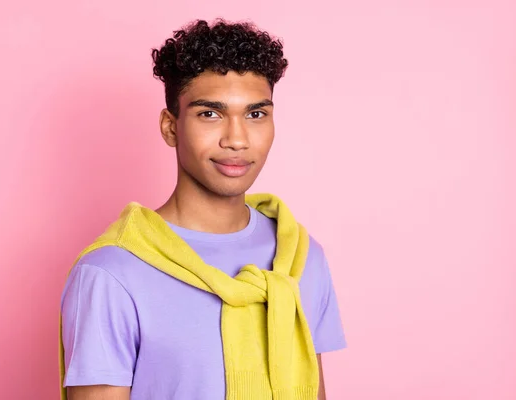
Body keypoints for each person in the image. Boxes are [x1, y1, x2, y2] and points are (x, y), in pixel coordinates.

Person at [59, 18, 346, 400]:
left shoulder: (302, 258)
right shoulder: (112, 273)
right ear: (170, 127)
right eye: (210, 114)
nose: (237, 139)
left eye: (256, 114)